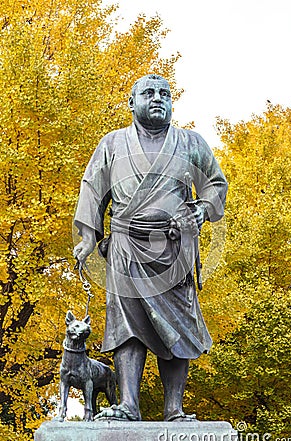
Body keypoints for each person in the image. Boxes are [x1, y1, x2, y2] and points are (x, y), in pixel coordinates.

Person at [73, 74, 228, 422]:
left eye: (165, 94)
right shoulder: (112, 144)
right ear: (131, 102)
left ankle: (174, 408)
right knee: (126, 324)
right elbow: (92, 190)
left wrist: (201, 210)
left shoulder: (191, 143)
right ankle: (128, 404)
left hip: (174, 247)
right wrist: (87, 238)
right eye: (148, 93)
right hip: (126, 246)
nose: (158, 98)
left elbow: (216, 184)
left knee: (179, 326)